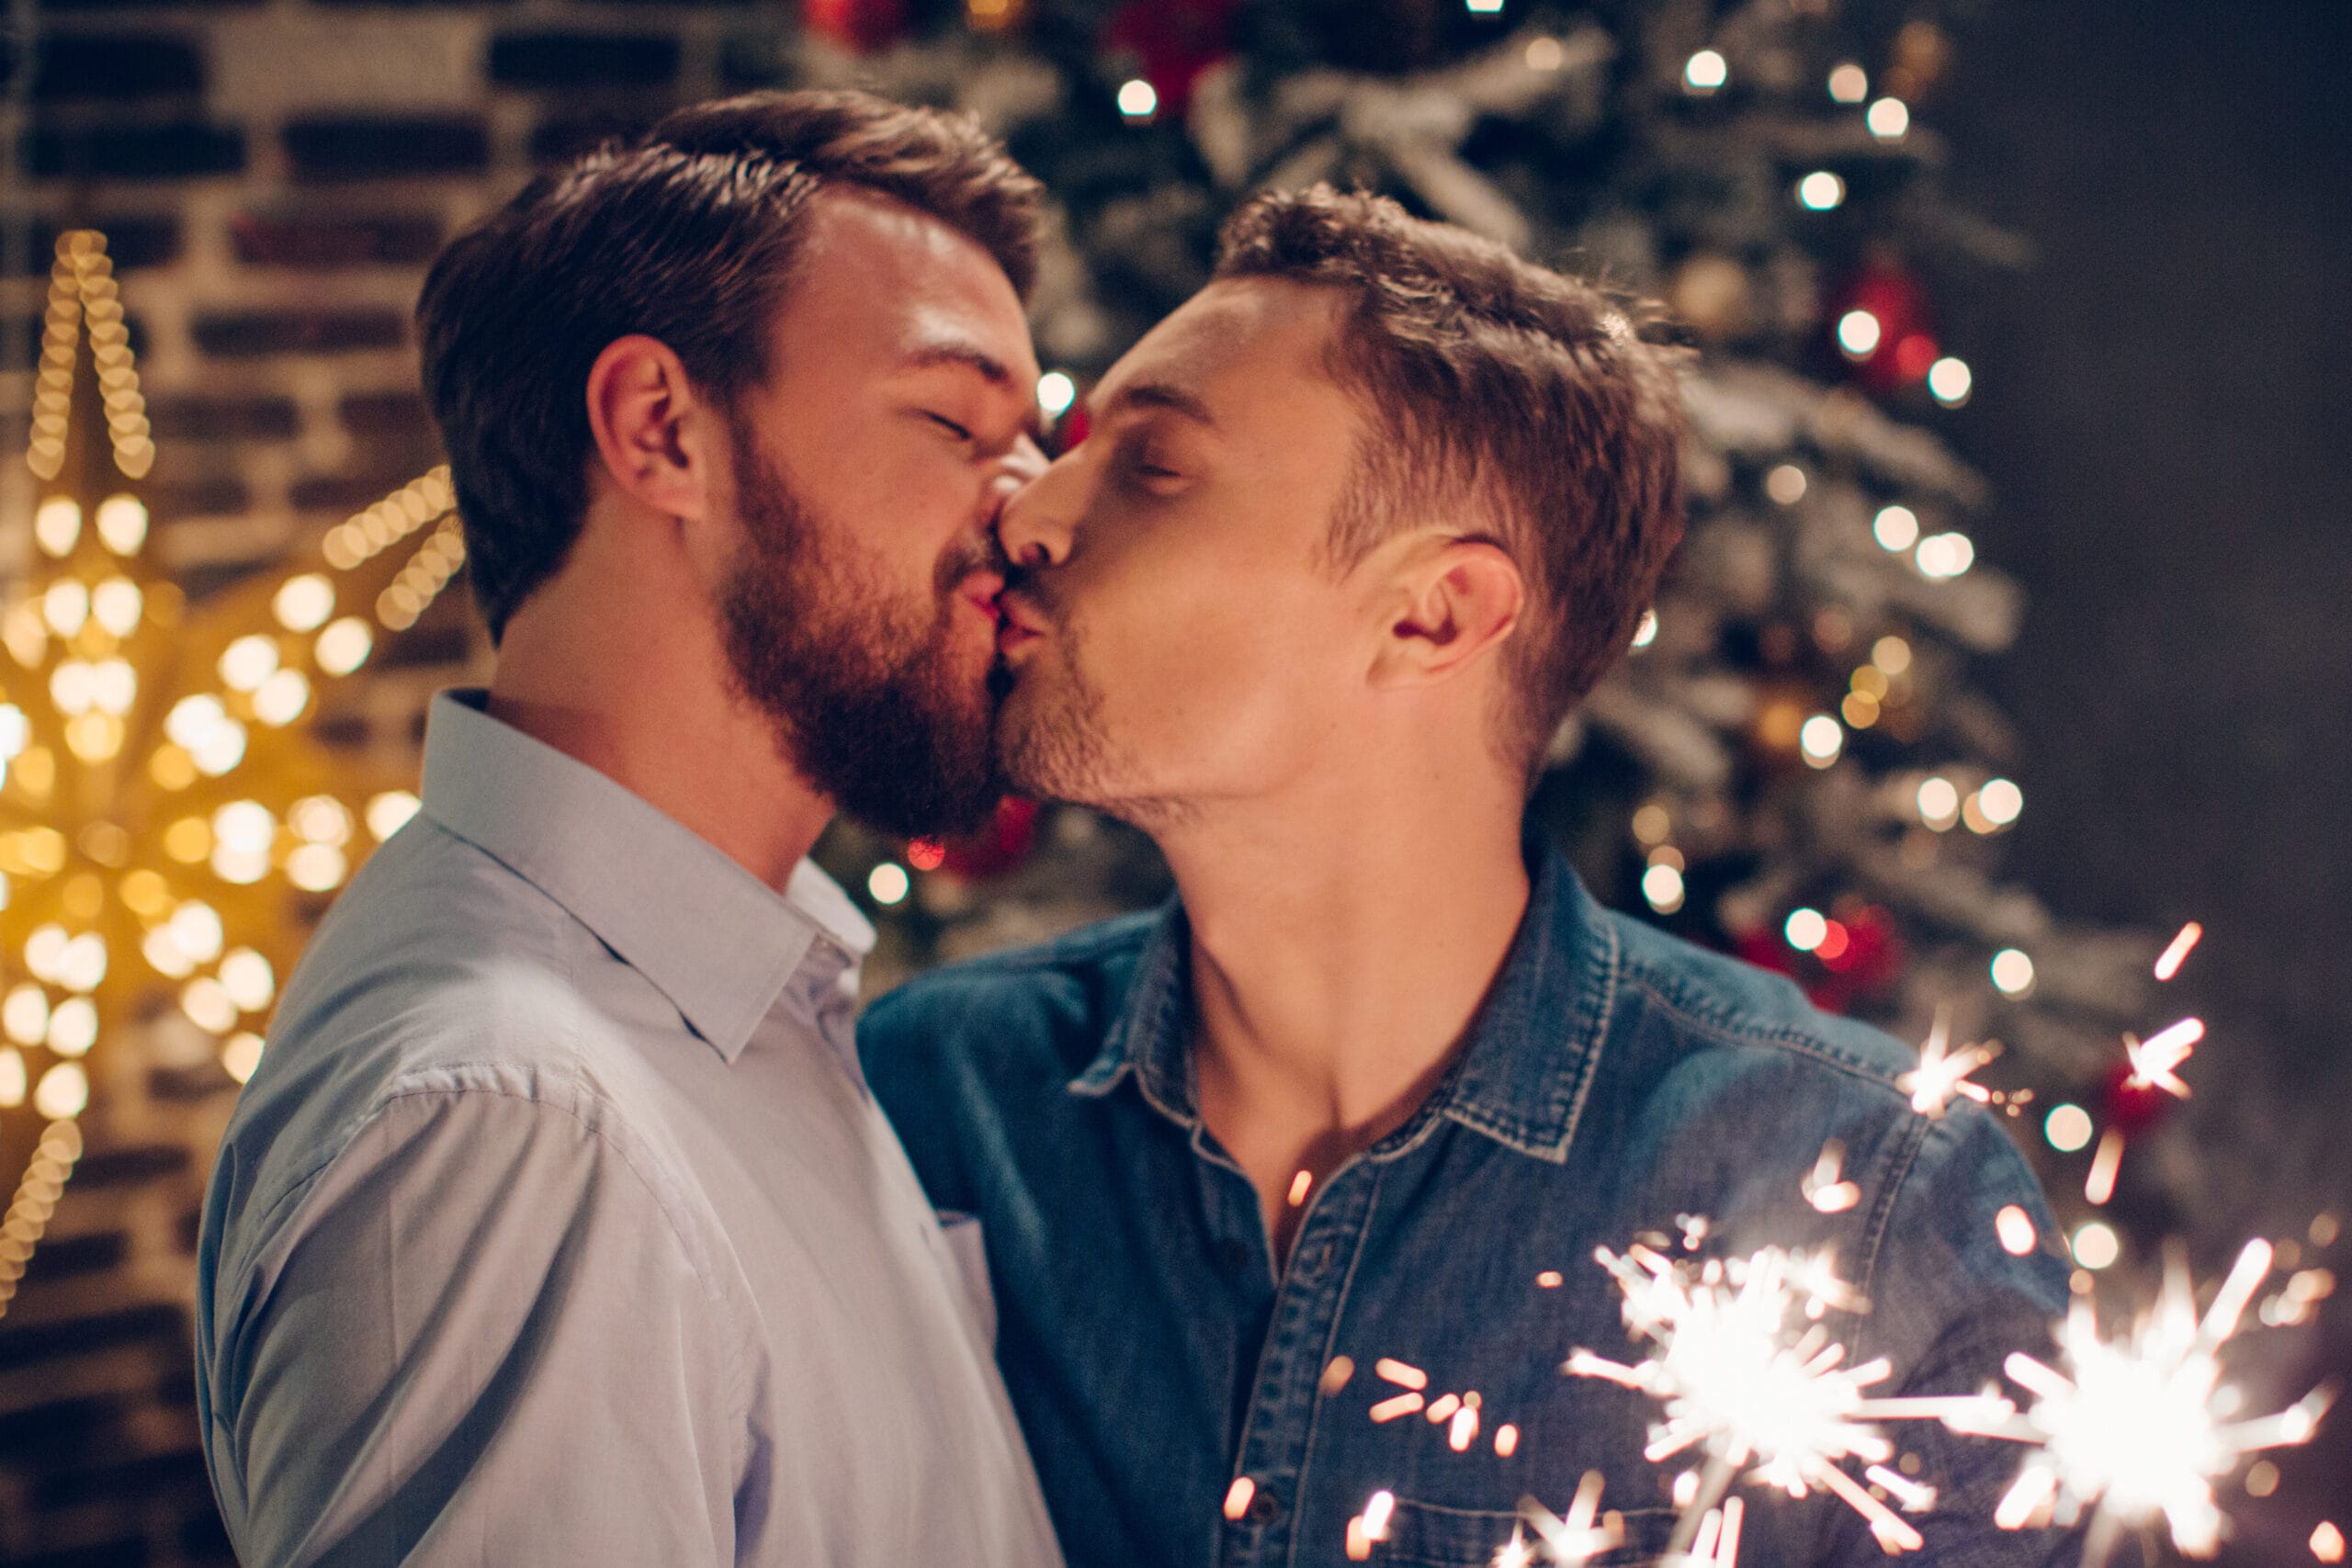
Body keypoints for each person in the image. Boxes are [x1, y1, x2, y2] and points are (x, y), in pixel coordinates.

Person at [859, 186, 2079, 1568]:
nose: (1029, 512)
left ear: (1432, 614)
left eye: (1152, 467)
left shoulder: (1858, 1199)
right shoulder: (930, 1104)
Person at [195, 90, 1064, 1566]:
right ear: (662, 430)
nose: (1033, 512)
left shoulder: (729, 1008)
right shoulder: (515, 1125)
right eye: (956, 422)